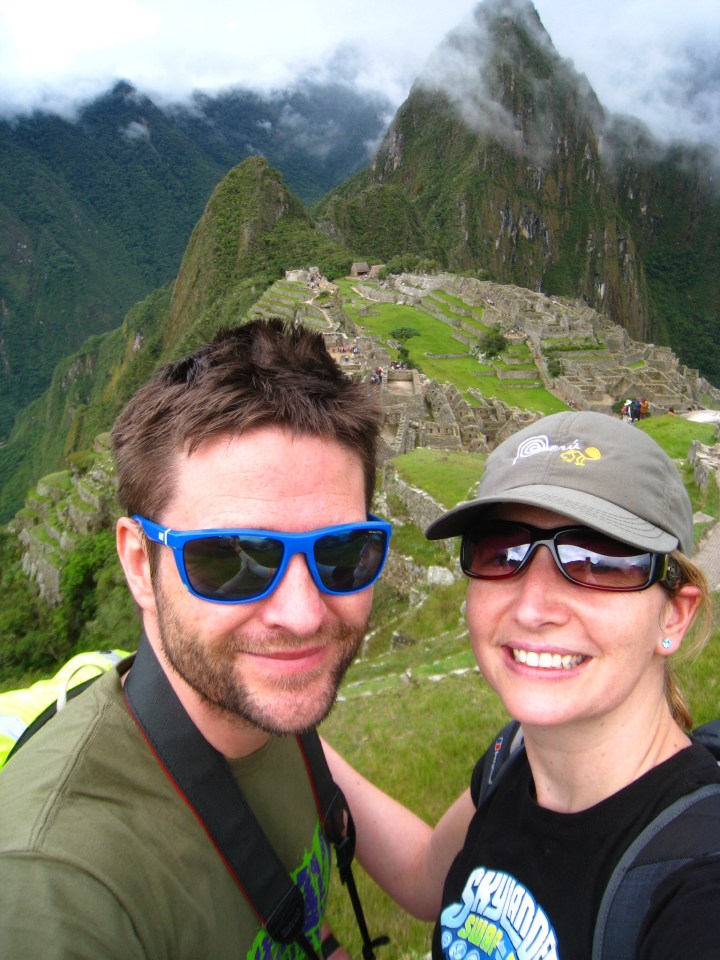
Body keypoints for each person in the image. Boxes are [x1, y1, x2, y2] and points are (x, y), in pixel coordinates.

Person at [0, 319, 392, 960]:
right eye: (231, 560)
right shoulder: (57, 886)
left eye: (343, 551)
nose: (300, 614)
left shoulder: (273, 714)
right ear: (138, 563)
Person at [324, 410, 719, 959]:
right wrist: (301, 739)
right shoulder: (514, 760)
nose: (533, 608)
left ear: (674, 616)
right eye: (502, 553)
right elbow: (422, 878)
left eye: (597, 560)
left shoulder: (695, 884)